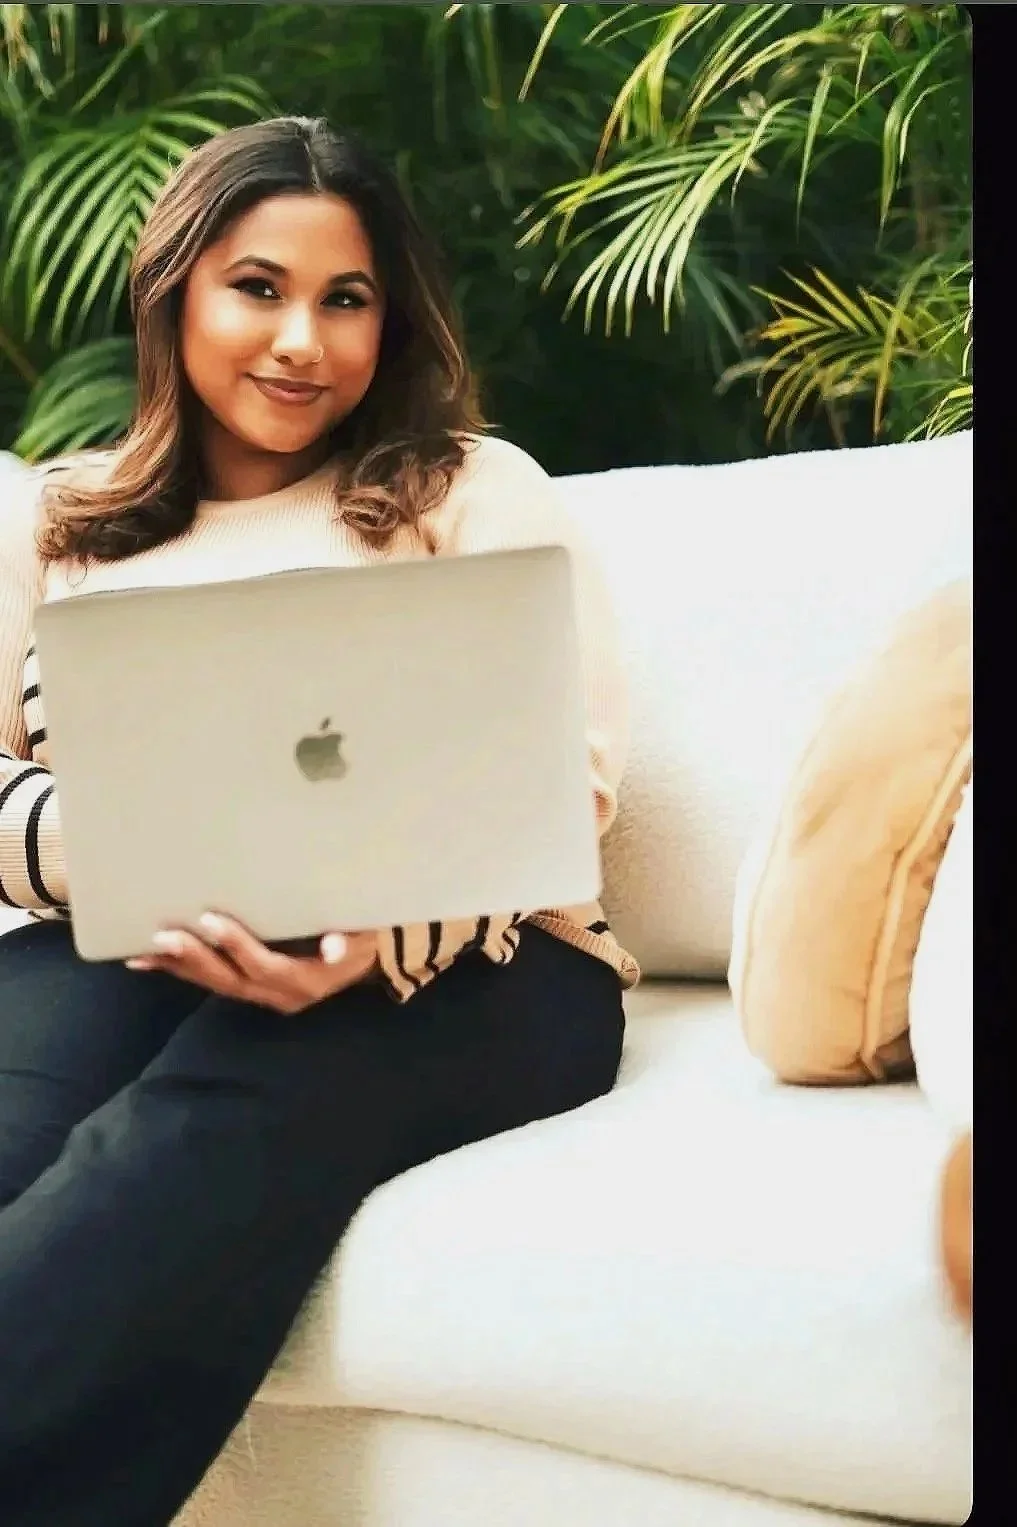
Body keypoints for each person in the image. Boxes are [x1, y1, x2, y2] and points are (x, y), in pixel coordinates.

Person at [0, 117, 638, 1524]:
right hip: (116, 928)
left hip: (480, 966)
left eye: (344, 299)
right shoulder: (61, 522)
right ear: (175, 293)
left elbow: (561, 792)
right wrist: (116, 856)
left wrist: (369, 940)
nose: (302, 339)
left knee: (200, 1125)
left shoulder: (469, 488)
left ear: (389, 317)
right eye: (257, 287)